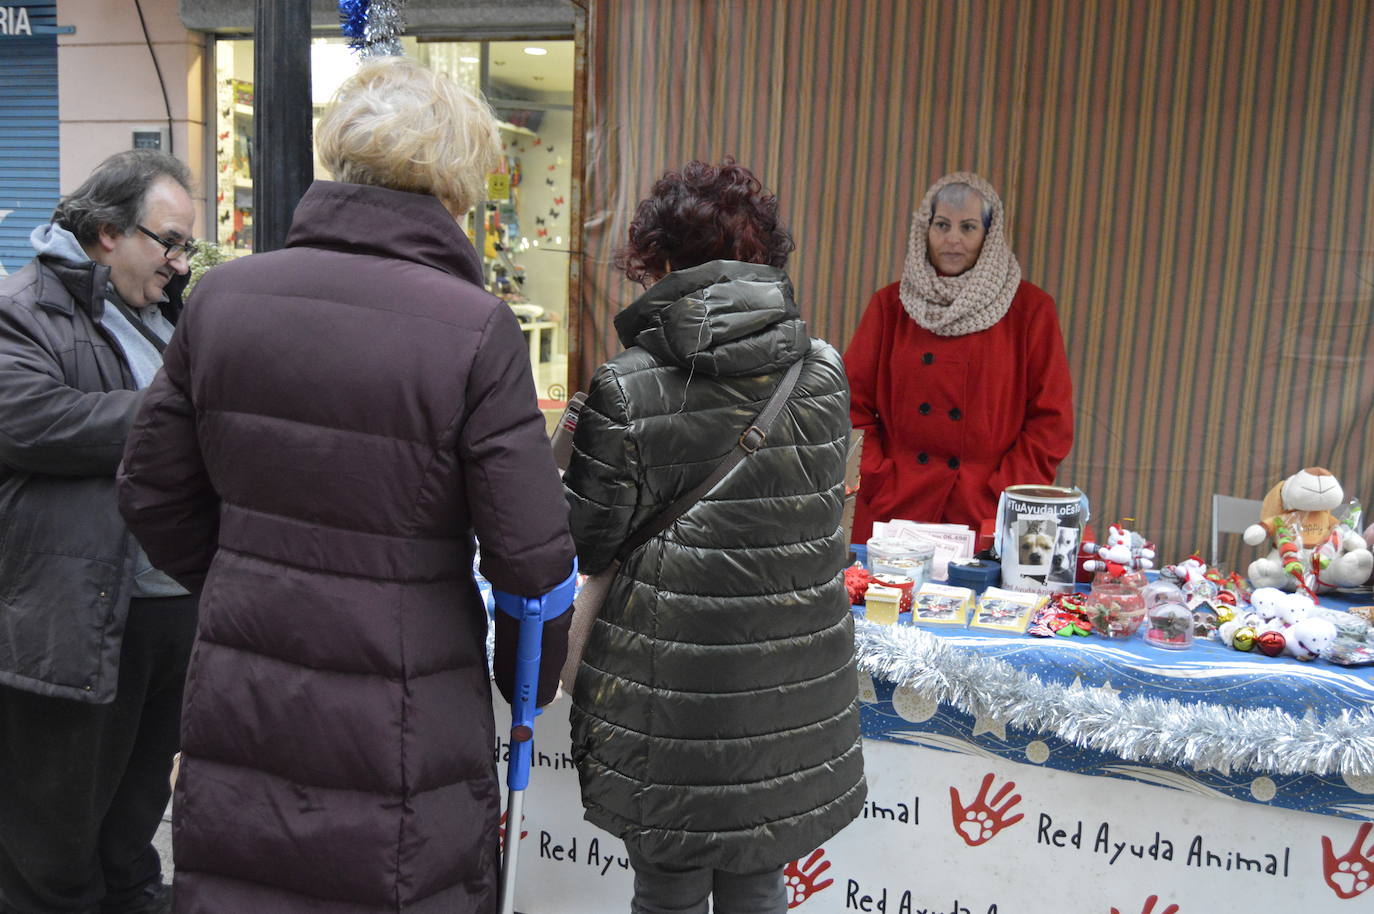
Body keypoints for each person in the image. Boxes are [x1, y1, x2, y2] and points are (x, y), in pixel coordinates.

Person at [115, 58, 575, 913]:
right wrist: (524, 692)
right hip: (404, 700)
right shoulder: (475, 330)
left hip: (245, 683)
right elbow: (532, 566)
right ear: (459, 183)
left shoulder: (223, 300)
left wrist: (240, 581)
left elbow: (148, 487)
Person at [563, 160, 865, 914]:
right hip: (785, 691)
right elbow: (814, 529)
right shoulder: (823, 373)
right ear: (762, 258)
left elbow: (587, 545)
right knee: (758, 883)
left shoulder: (625, 386)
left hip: (664, 695)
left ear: (658, 262)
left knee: (664, 890)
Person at [0, 149, 198, 914]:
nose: (180, 262)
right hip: (76, 617)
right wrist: (180, 414)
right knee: (52, 846)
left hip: (166, 612)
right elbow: (31, 422)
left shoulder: (166, 314)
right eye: (169, 241)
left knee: (131, 826)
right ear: (109, 231)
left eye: (186, 245)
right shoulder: (23, 308)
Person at [844, 171, 1073, 541]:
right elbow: (849, 406)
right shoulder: (890, 306)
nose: (953, 239)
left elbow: (1052, 421)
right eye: (942, 225)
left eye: (968, 227)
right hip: (895, 508)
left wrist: (1006, 493)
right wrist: (877, 477)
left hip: (984, 509)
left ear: (988, 235)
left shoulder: (1030, 310)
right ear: (925, 230)